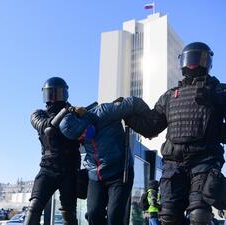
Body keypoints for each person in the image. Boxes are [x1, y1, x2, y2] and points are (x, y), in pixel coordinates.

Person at [125, 42, 226, 225]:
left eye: (197, 58)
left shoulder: (220, 91)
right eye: (189, 59)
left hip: (204, 160)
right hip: (173, 164)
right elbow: (151, 125)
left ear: (207, 62)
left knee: (199, 216)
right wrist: (127, 115)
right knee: (168, 217)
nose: (192, 63)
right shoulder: (169, 96)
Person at [59, 96, 150, 225]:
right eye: (80, 137)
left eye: (83, 132)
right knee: (93, 214)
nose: (84, 136)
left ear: (83, 121)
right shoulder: (76, 132)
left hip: (120, 173)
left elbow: (133, 103)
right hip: (96, 176)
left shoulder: (104, 112)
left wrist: (149, 124)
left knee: (114, 216)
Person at [25, 77, 81, 225]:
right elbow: (45, 127)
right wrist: (65, 112)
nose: (54, 98)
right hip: (48, 168)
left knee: (69, 215)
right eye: (50, 94)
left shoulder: (74, 116)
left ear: (65, 94)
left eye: (58, 94)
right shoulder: (38, 114)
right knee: (34, 207)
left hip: (69, 171)